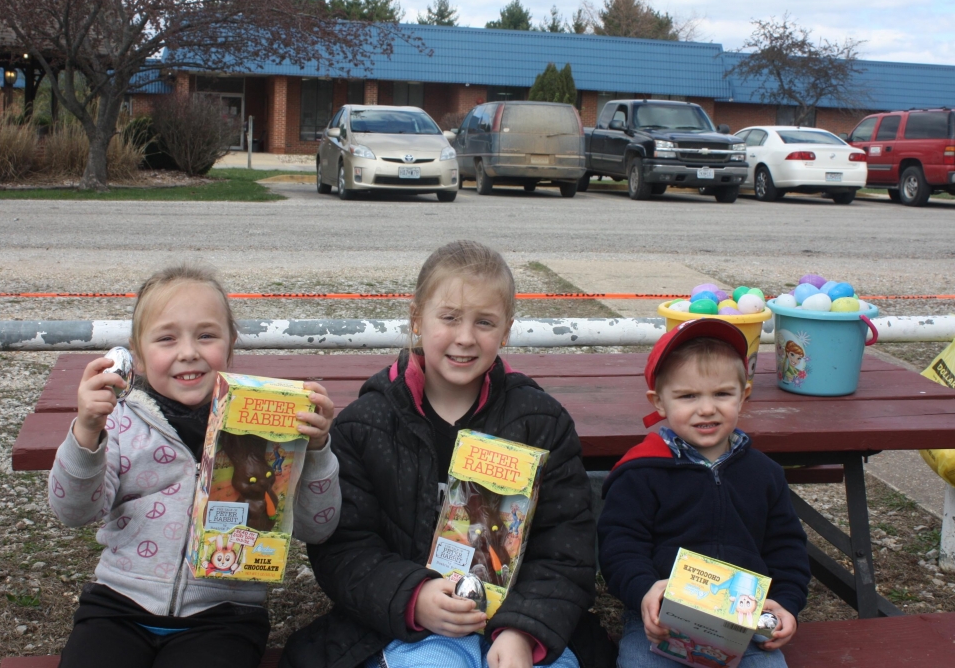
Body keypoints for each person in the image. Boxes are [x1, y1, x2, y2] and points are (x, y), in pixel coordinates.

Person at [283, 241, 614, 668]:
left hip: (517, 624)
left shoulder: (541, 424)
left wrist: (522, 629)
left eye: (485, 322)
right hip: (410, 630)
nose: (465, 338)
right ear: (417, 318)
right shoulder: (368, 424)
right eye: (450, 318)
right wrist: (412, 596)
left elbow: (565, 548)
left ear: (507, 330)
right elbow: (345, 548)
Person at [48, 264, 341, 668]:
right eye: (167, 338)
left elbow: (318, 527)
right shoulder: (117, 421)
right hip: (118, 605)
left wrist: (318, 448)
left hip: (224, 616)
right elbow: (73, 511)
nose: (188, 351)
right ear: (139, 354)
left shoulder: (265, 427)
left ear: (230, 344)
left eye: (206, 335)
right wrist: (86, 433)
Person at [597, 319, 811, 668]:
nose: (707, 408)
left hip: (743, 621)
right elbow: (620, 545)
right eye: (688, 396)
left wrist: (786, 603)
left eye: (722, 393)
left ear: (743, 395)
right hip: (661, 620)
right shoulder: (641, 472)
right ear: (659, 402)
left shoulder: (764, 474)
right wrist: (644, 591)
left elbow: (787, 548)